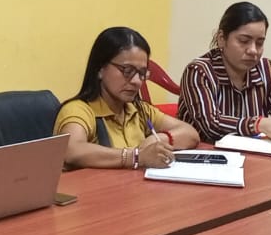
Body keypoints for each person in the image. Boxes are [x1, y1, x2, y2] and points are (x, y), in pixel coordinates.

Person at [54, 26, 200, 170]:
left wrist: (159, 139)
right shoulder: (80, 110)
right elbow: (71, 149)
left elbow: (190, 133)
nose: (136, 81)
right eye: (127, 70)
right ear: (100, 69)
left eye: (142, 73)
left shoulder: (139, 110)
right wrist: (136, 156)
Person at [177, 1, 271, 144]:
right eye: (244, 41)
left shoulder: (266, 70)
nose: (253, 50)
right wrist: (258, 124)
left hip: (255, 154)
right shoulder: (199, 71)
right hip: (205, 153)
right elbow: (211, 126)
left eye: (259, 43)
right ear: (222, 39)